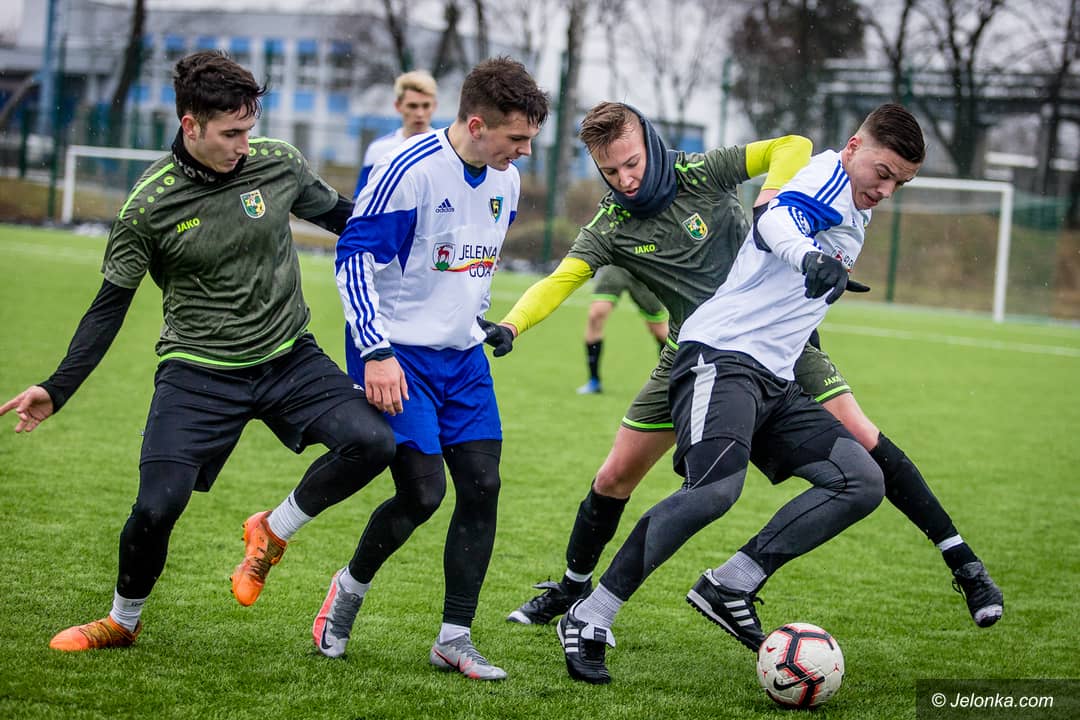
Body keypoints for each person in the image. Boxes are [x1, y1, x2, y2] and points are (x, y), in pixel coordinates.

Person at [499, 102, 1001, 639]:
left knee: (861, 450)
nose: (625, 179)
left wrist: (770, 200)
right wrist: (511, 325)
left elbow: (791, 147)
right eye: (610, 171)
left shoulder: (699, 172)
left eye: (632, 162)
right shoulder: (612, 224)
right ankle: (575, 590)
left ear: (651, 143)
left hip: (781, 346)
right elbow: (557, 281)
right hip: (701, 348)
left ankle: (961, 561)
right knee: (617, 476)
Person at [0, 50, 397, 652]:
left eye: (249, 129)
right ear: (191, 125)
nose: (244, 145)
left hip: (289, 356)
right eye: (231, 133)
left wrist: (428, 241)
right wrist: (57, 388)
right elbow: (108, 308)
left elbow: (350, 221)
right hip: (198, 371)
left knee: (373, 442)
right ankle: (122, 621)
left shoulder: (278, 164)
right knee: (157, 507)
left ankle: (272, 530)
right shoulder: (148, 206)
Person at [554, 103, 927, 684]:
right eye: (883, 175)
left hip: (774, 376)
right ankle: (589, 613)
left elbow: (794, 167)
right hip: (717, 355)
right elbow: (777, 217)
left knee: (861, 480)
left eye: (898, 183)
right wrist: (802, 248)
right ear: (856, 149)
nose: (886, 190)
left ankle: (731, 583)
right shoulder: (820, 179)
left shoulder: (855, 209)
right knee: (710, 489)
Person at [306, 56, 548, 681]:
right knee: (422, 493)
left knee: (483, 486)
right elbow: (353, 259)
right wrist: (376, 351)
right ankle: (347, 591)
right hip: (399, 354)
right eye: (517, 137)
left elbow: (466, 261)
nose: (525, 151)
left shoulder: (506, 182)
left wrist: (478, 318)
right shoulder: (407, 170)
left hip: (463, 359)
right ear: (477, 124)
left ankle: (454, 638)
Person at [576, 265, 669, 395]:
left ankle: (669, 379)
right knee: (595, 315)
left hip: (642, 266)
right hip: (617, 265)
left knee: (660, 331)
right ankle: (594, 380)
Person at [353, 70, 438, 197]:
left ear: (434, 106)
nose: (420, 113)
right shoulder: (378, 149)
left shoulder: (446, 148)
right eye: (413, 106)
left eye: (426, 106)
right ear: (398, 106)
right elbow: (361, 197)